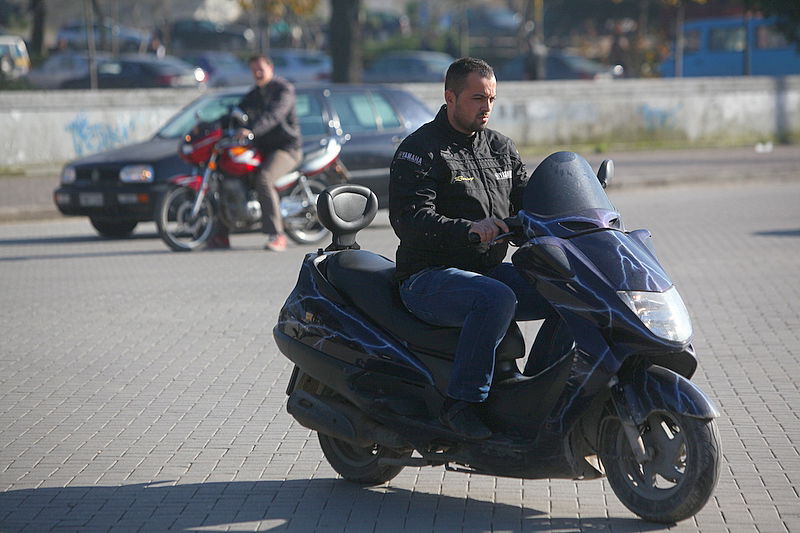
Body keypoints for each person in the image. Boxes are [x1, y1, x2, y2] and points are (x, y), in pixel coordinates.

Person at [388, 57, 555, 440]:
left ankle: (543, 387)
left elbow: (531, 201)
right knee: (495, 299)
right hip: (428, 277)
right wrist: (469, 231)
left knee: (567, 290)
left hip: (488, 270)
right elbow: (410, 220)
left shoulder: (501, 148)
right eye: (478, 98)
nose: (487, 107)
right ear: (450, 97)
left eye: (492, 99)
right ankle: (462, 403)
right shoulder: (420, 151)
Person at [211, 54, 302, 251]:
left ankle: (277, 235)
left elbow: (274, 116)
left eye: (260, 69)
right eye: (253, 70)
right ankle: (221, 235)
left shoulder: (284, 90)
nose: (257, 73)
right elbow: (236, 113)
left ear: (271, 67)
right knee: (228, 174)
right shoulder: (254, 94)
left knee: (263, 178)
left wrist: (252, 130)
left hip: (286, 149)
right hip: (260, 149)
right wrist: (212, 126)